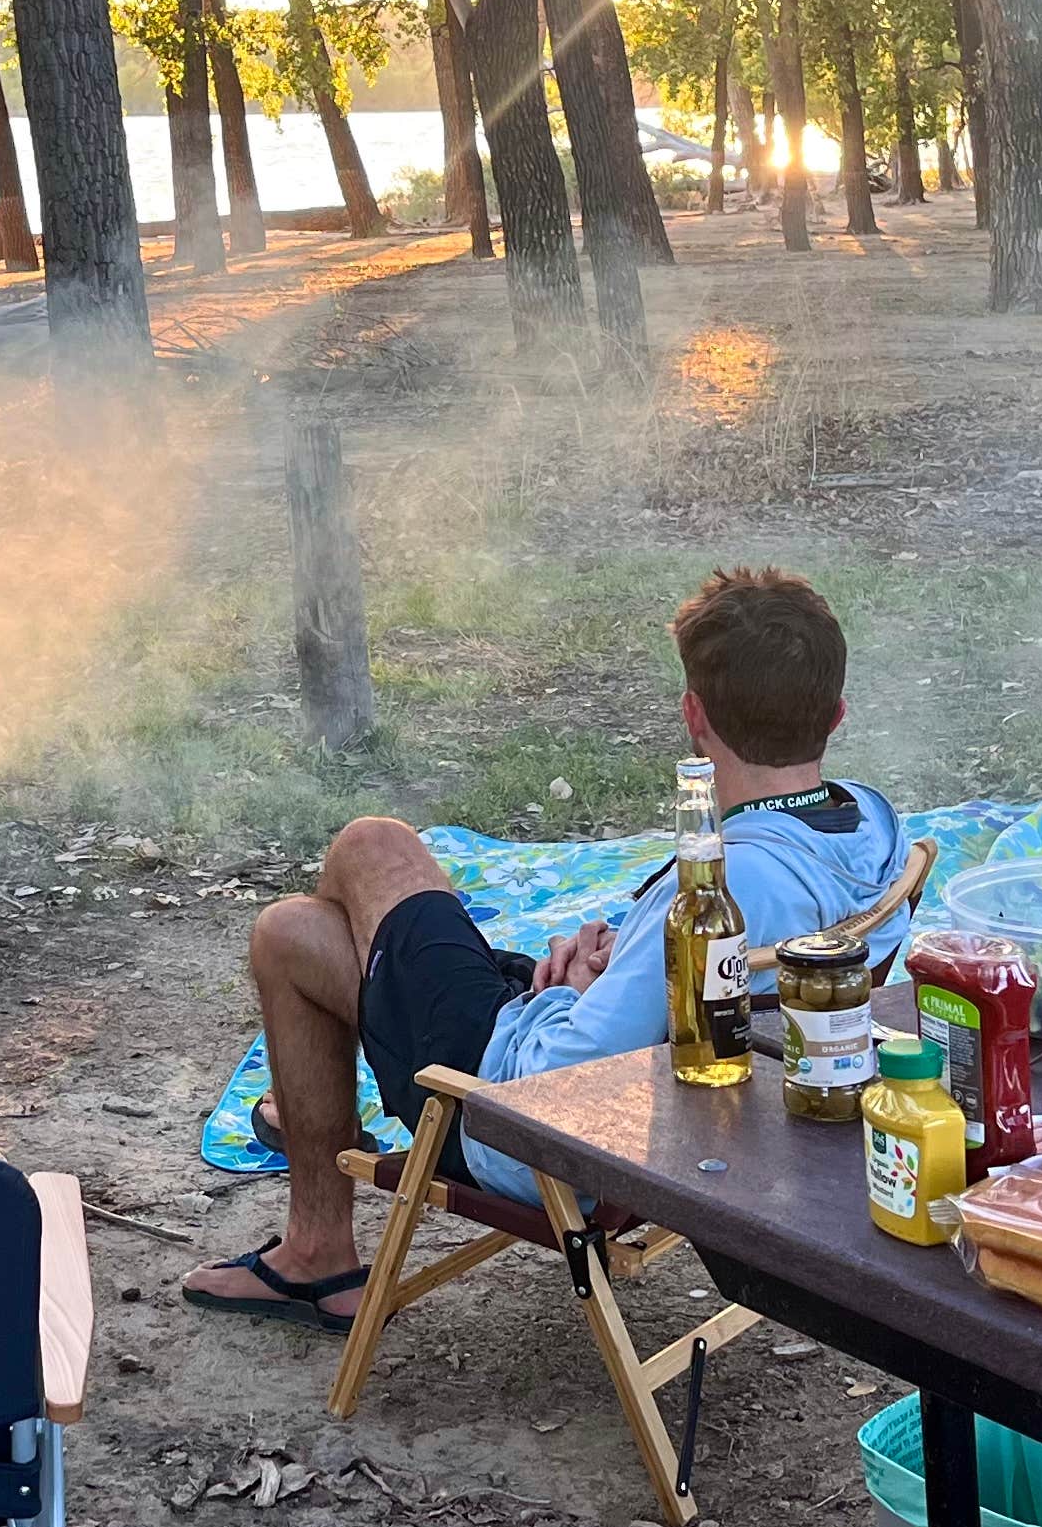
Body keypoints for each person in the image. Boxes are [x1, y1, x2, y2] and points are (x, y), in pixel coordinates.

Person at [186, 566, 917, 1329]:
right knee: (291, 935)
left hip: (523, 1123)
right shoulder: (870, 825)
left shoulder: (720, 887)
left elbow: (550, 1085)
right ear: (835, 716)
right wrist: (611, 973)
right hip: (716, 1119)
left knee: (372, 845)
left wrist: (564, 995)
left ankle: (313, 1247)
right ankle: (314, 1249)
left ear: (693, 716)